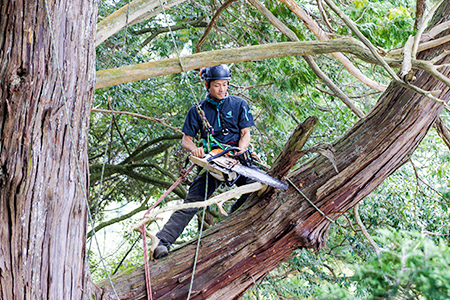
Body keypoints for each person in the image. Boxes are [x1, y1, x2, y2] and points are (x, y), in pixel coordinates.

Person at [154, 64, 256, 259]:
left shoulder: (239, 104)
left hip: (237, 158)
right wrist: (196, 150)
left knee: (258, 186)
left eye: (225, 84)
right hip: (213, 160)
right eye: (217, 85)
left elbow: (245, 134)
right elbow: (186, 141)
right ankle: (163, 241)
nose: (222, 89)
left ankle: (234, 216)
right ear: (208, 85)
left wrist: (240, 151)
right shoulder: (198, 110)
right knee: (193, 201)